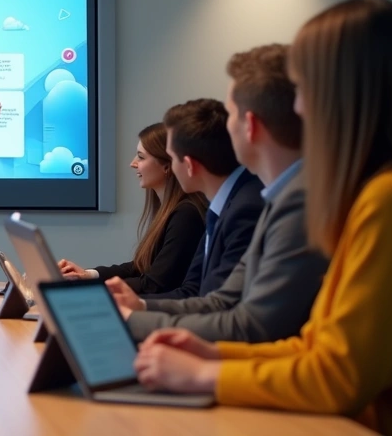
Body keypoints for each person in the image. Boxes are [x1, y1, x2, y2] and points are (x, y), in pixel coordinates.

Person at [134, 0, 392, 435]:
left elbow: (338, 377)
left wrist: (203, 375)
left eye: (304, 87)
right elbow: (319, 347)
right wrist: (215, 355)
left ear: (340, 96)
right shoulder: (390, 193)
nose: (298, 109)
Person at [118, 44, 329, 342]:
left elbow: (252, 325)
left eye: (230, 114)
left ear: (250, 126)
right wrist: (136, 307)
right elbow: (221, 300)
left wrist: (127, 322)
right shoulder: (271, 197)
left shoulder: (280, 203)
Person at [57, 123, 207, 294]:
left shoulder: (186, 215)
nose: (133, 163)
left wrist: (93, 288)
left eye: (141, 157)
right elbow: (141, 267)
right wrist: (88, 275)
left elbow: (155, 284)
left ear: (166, 165)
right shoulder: (172, 210)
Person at [137, 99, 264, 301]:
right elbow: (193, 290)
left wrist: (126, 308)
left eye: (171, 158)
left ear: (189, 165)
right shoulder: (222, 206)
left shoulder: (244, 209)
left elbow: (221, 306)